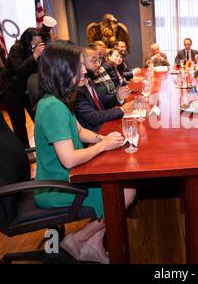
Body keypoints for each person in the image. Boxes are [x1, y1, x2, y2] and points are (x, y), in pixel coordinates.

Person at [34, 40, 136, 264]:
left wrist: (109, 139)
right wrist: (102, 146)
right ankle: (77, 239)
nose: (84, 70)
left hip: (72, 176)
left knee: (124, 187)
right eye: (78, 65)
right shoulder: (53, 107)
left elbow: (80, 131)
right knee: (126, 192)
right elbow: (69, 159)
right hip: (57, 185)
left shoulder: (58, 99)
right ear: (63, 69)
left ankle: (91, 243)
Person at [0, 27, 44, 148]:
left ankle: (43, 147)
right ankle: (26, 152)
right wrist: (35, 56)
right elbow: (20, 71)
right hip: (12, 90)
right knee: (19, 124)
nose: (40, 39)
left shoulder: (34, 49)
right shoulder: (16, 49)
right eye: (38, 37)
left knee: (38, 118)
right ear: (31, 38)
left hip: (27, 91)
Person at [75, 45, 133, 131]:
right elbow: (94, 117)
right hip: (95, 134)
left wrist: (118, 97)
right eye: (93, 61)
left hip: (104, 125)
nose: (98, 65)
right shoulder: (77, 90)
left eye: (98, 60)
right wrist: (122, 109)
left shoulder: (89, 80)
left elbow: (102, 102)